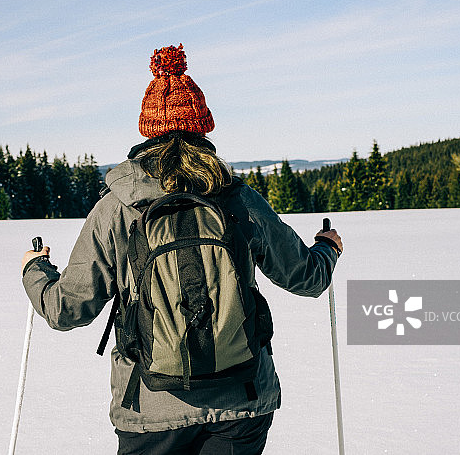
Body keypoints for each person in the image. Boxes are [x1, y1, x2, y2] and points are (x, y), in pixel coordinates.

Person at [21, 44, 342, 454]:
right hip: (242, 402)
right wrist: (327, 248)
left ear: (146, 132)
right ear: (203, 128)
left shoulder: (117, 207)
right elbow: (307, 278)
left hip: (150, 410)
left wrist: (36, 270)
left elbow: (67, 309)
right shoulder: (238, 199)